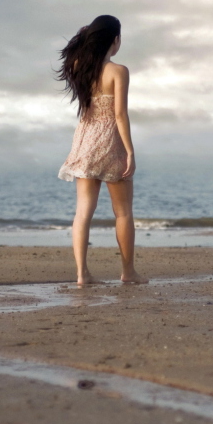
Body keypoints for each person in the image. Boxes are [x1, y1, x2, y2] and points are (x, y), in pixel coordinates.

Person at [57, 15, 148, 286]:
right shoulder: (118, 71)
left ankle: (82, 274)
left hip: (85, 140)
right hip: (110, 142)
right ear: (115, 40)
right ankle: (128, 272)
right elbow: (120, 115)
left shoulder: (77, 66)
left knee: (83, 212)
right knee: (123, 212)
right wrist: (130, 151)